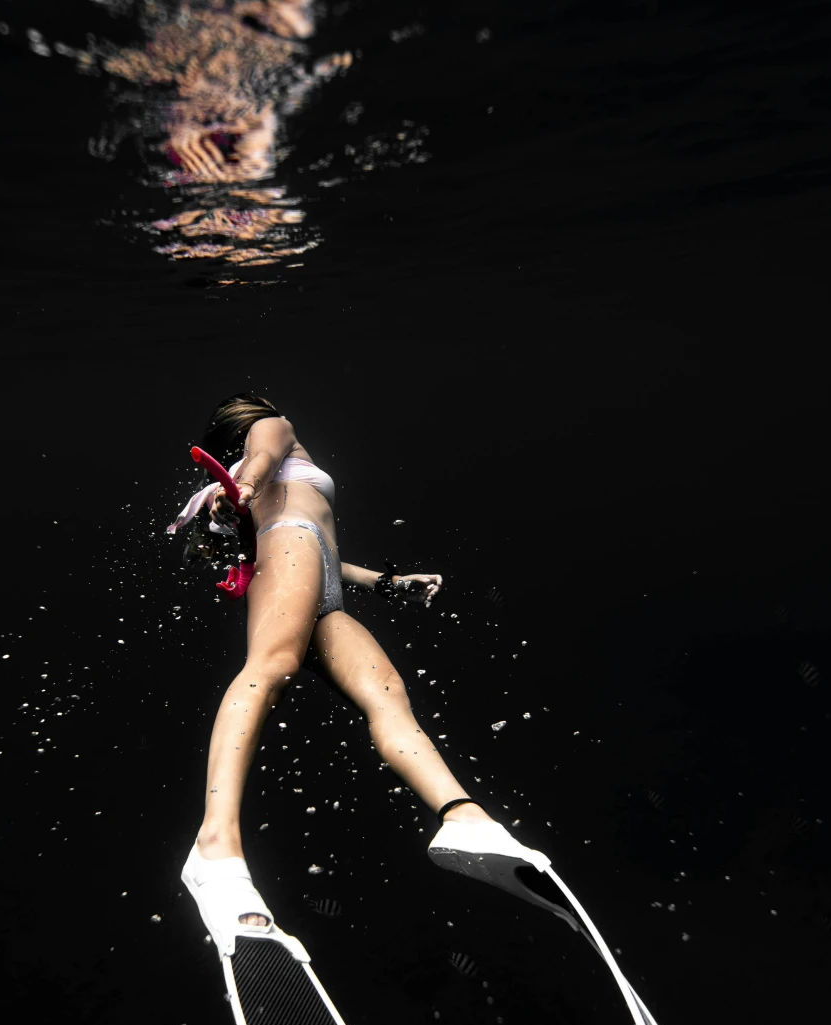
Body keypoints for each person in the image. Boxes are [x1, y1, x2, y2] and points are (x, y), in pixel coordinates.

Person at [172, 392, 553, 930]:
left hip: (315, 574)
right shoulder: (274, 426)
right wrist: (247, 488)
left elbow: (316, 544)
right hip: (294, 552)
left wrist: (388, 583)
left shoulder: (245, 484)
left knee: (388, 692)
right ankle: (215, 843)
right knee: (270, 666)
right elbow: (262, 470)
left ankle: (462, 816)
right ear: (253, 413)